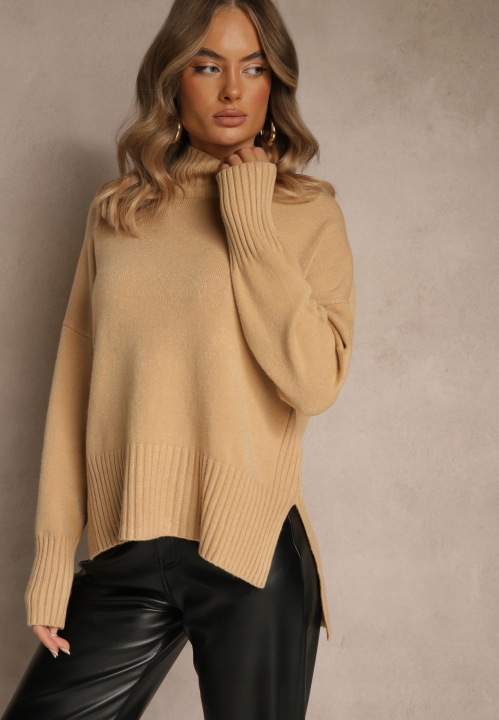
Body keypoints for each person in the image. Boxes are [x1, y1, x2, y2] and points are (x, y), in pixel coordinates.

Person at [2, 0, 355, 718]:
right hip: (125, 549)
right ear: (172, 80)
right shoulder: (118, 212)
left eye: (253, 68)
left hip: (249, 551)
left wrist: (249, 216)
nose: (232, 89)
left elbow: (314, 383)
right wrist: (52, 563)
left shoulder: (307, 211)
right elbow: (73, 395)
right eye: (207, 65)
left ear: (274, 84)